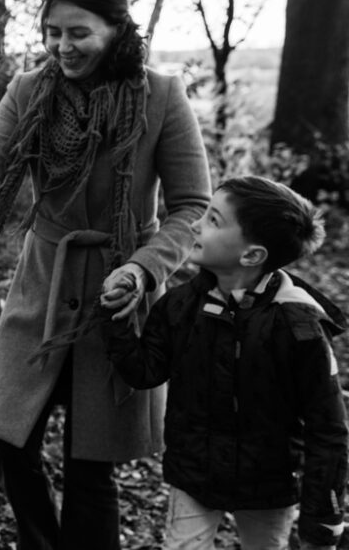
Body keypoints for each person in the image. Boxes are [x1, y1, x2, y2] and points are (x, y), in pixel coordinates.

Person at [0, 0, 212, 549]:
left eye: (79, 32)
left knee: (91, 467)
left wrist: (143, 269)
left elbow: (192, 205)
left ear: (117, 29)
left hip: (119, 295)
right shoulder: (29, 91)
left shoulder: (161, 95)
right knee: (7, 440)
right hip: (42, 286)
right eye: (53, 32)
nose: (63, 46)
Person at [97, 175, 348, 550]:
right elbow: (145, 371)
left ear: (251, 256)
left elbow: (327, 428)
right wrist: (115, 317)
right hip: (195, 474)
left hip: (270, 484)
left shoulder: (300, 326)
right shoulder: (181, 306)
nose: (195, 225)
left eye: (213, 220)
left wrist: (322, 521)